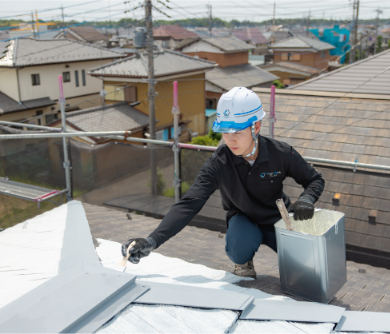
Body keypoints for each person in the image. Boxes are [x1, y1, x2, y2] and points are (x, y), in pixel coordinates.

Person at [122, 87, 324, 278]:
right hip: (244, 221)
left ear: (256, 127)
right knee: (239, 247)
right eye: (225, 132)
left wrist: (307, 199)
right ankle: (244, 260)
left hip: (277, 219)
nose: (230, 140)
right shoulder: (218, 164)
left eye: (237, 132)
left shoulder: (280, 153)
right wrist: (152, 240)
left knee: (305, 265)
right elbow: (189, 204)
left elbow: (314, 179)